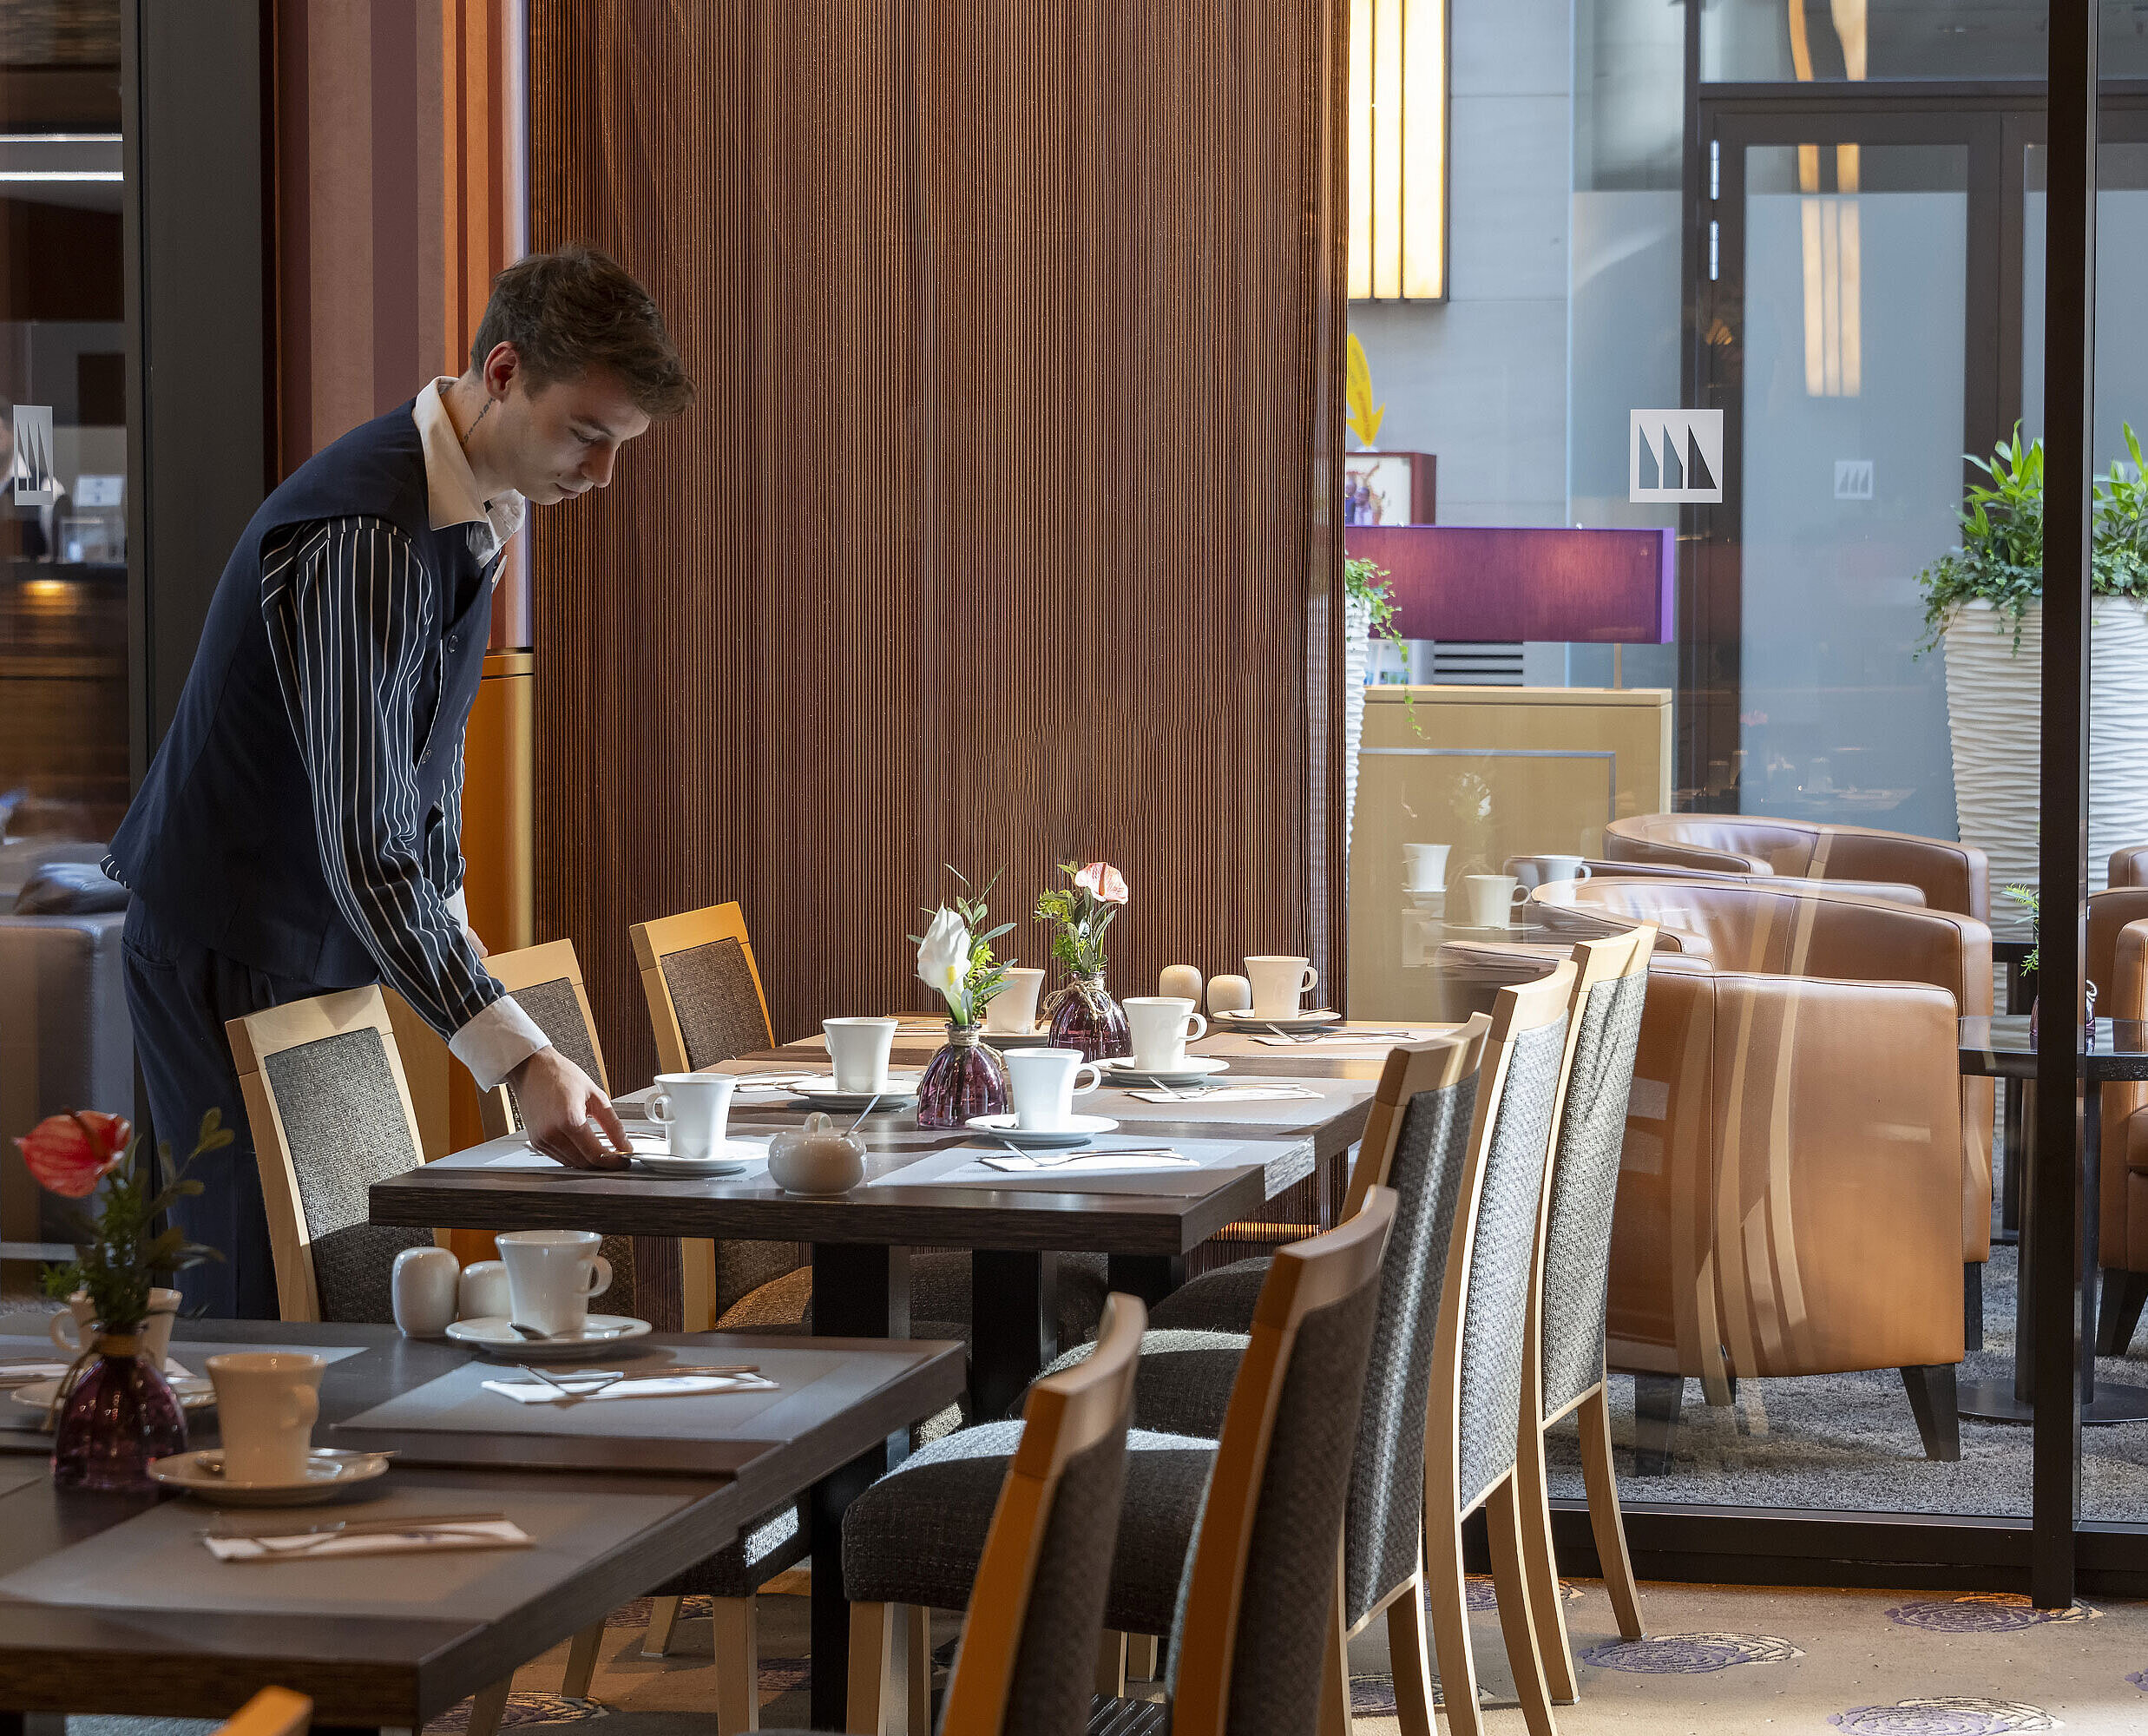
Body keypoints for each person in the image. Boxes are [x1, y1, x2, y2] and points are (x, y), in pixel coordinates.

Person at [104, 244, 692, 1317]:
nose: (603, 476)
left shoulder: (473, 508)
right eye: (589, 437)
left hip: (305, 929)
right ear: (504, 372)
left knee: (336, 1280)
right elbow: (366, 841)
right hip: (227, 932)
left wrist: (479, 985)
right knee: (253, 1280)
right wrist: (515, 1054)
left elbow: (424, 778)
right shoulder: (368, 528)